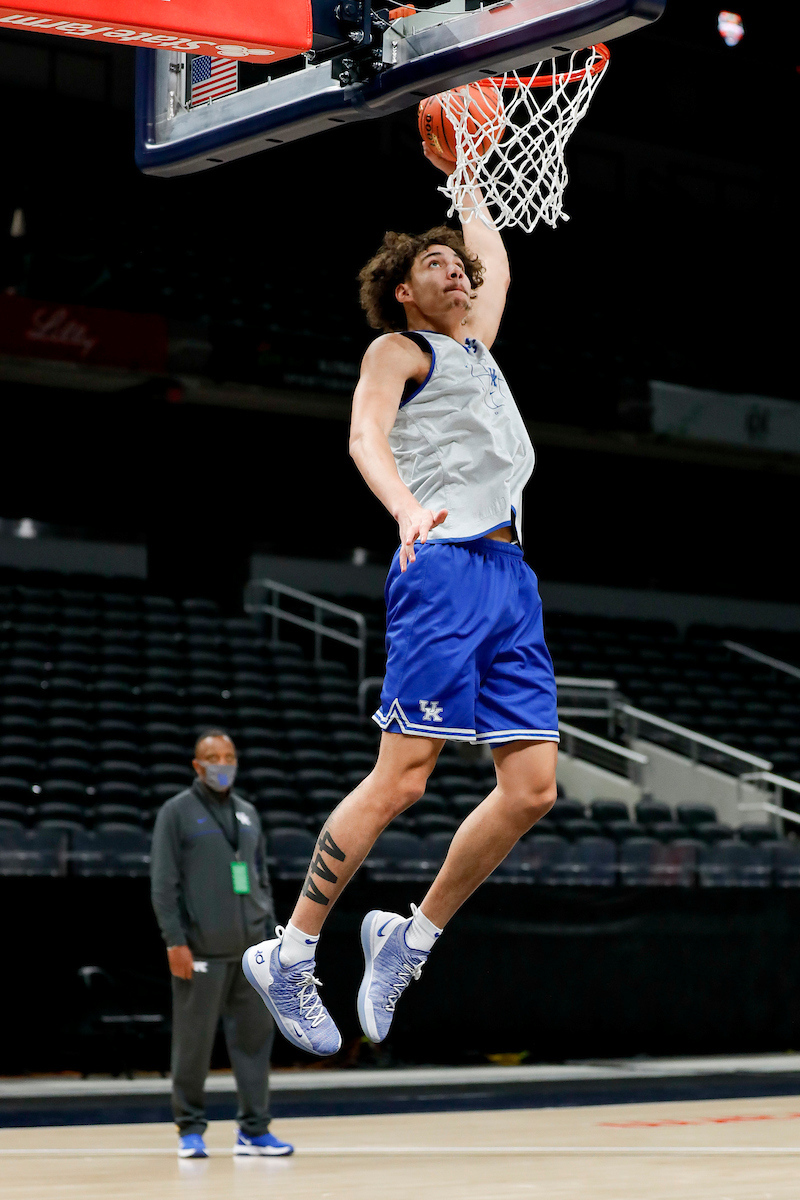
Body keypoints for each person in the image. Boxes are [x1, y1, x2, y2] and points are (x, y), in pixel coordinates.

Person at [242, 146, 559, 1056]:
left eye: (457, 263)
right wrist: (404, 505)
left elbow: (496, 261)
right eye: (435, 264)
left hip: (511, 577)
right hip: (444, 563)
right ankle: (291, 949)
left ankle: (407, 936)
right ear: (406, 294)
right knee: (407, 775)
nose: (456, 269)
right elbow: (363, 435)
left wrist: (466, 175)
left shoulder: (476, 349)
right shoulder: (400, 349)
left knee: (532, 790)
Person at [150, 730, 293, 1159]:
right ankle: (189, 1128)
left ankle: (254, 1130)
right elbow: (163, 884)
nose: (222, 763)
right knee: (192, 1045)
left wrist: (269, 936)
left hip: (252, 951)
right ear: (197, 765)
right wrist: (175, 941)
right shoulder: (175, 813)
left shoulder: (248, 813)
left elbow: (259, 875)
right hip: (201, 951)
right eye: (213, 757)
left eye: (229, 756)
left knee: (254, 1042)